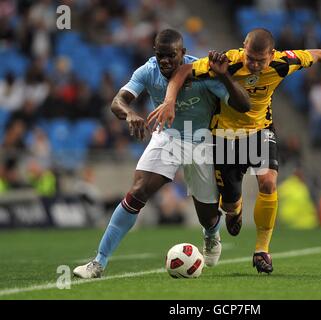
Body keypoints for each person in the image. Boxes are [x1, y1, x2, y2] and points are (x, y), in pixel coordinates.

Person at [148, 28, 321, 274]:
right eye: (249, 57)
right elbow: (185, 70)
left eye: (259, 60)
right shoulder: (228, 61)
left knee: (268, 183)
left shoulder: (283, 62)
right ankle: (235, 208)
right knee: (229, 207)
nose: (252, 64)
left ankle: (262, 250)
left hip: (261, 131)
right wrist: (169, 100)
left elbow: (320, 54)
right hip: (225, 136)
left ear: (271, 55)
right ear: (244, 48)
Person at [73, 29, 250, 278]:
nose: (165, 61)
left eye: (171, 56)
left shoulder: (203, 72)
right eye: (160, 56)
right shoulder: (148, 70)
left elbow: (244, 106)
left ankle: (211, 234)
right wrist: (130, 113)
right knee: (137, 192)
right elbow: (118, 101)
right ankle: (98, 262)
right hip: (167, 136)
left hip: (203, 142)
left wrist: (224, 78)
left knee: (207, 216)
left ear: (183, 53)